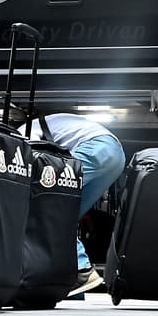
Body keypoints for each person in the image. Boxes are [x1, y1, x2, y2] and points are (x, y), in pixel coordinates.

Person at [26, 113, 126, 297]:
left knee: (47, 206)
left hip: (96, 149)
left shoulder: (23, 132)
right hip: (115, 155)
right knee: (65, 216)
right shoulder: (43, 124)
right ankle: (73, 279)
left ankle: (81, 269)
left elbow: (32, 163)